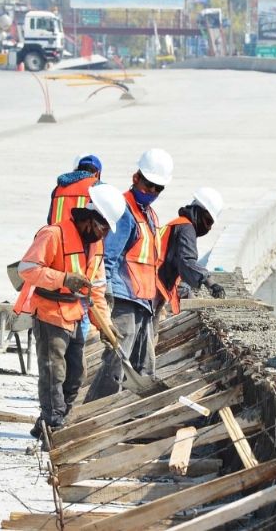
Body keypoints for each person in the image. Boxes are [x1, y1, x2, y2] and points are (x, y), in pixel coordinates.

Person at [14, 184, 126, 447]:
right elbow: (27, 269)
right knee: (54, 373)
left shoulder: (95, 246)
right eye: (102, 228)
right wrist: (63, 278)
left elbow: (96, 290)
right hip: (50, 312)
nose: (104, 234)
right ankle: (53, 425)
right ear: (89, 218)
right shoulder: (53, 234)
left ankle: (51, 422)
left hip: (75, 313)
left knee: (76, 374)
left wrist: (106, 326)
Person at [85, 148, 173, 402]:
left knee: (144, 365)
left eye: (158, 188)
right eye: (149, 185)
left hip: (143, 302)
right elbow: (108, 258)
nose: (152, 192)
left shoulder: (150, 214)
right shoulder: (123, 211)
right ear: (136, 178)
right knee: (116, 362)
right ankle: (96, 412)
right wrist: (107, 299)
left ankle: (137, 414)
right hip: (123, 300)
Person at [158, 187, 227, 315]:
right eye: (208, 221)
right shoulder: (186, 228)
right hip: (154, 288)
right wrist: (210, 283)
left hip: (152, 285)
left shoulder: (176, 224)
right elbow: (187, 261)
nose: (209, 228)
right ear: (198, 211)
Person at [47, 153, 103, 225]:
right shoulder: (98, 187)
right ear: (97, 173)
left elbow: (49, 219)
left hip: (57, 234)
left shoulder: (58, 189)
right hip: (80, 236)